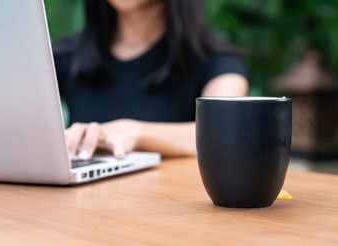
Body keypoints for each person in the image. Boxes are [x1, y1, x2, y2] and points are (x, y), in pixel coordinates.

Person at [53, 0, 248, 160]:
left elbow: (221, 134)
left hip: (165, 204)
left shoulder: (219, 65)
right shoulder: (61, 57)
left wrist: (134, 133)